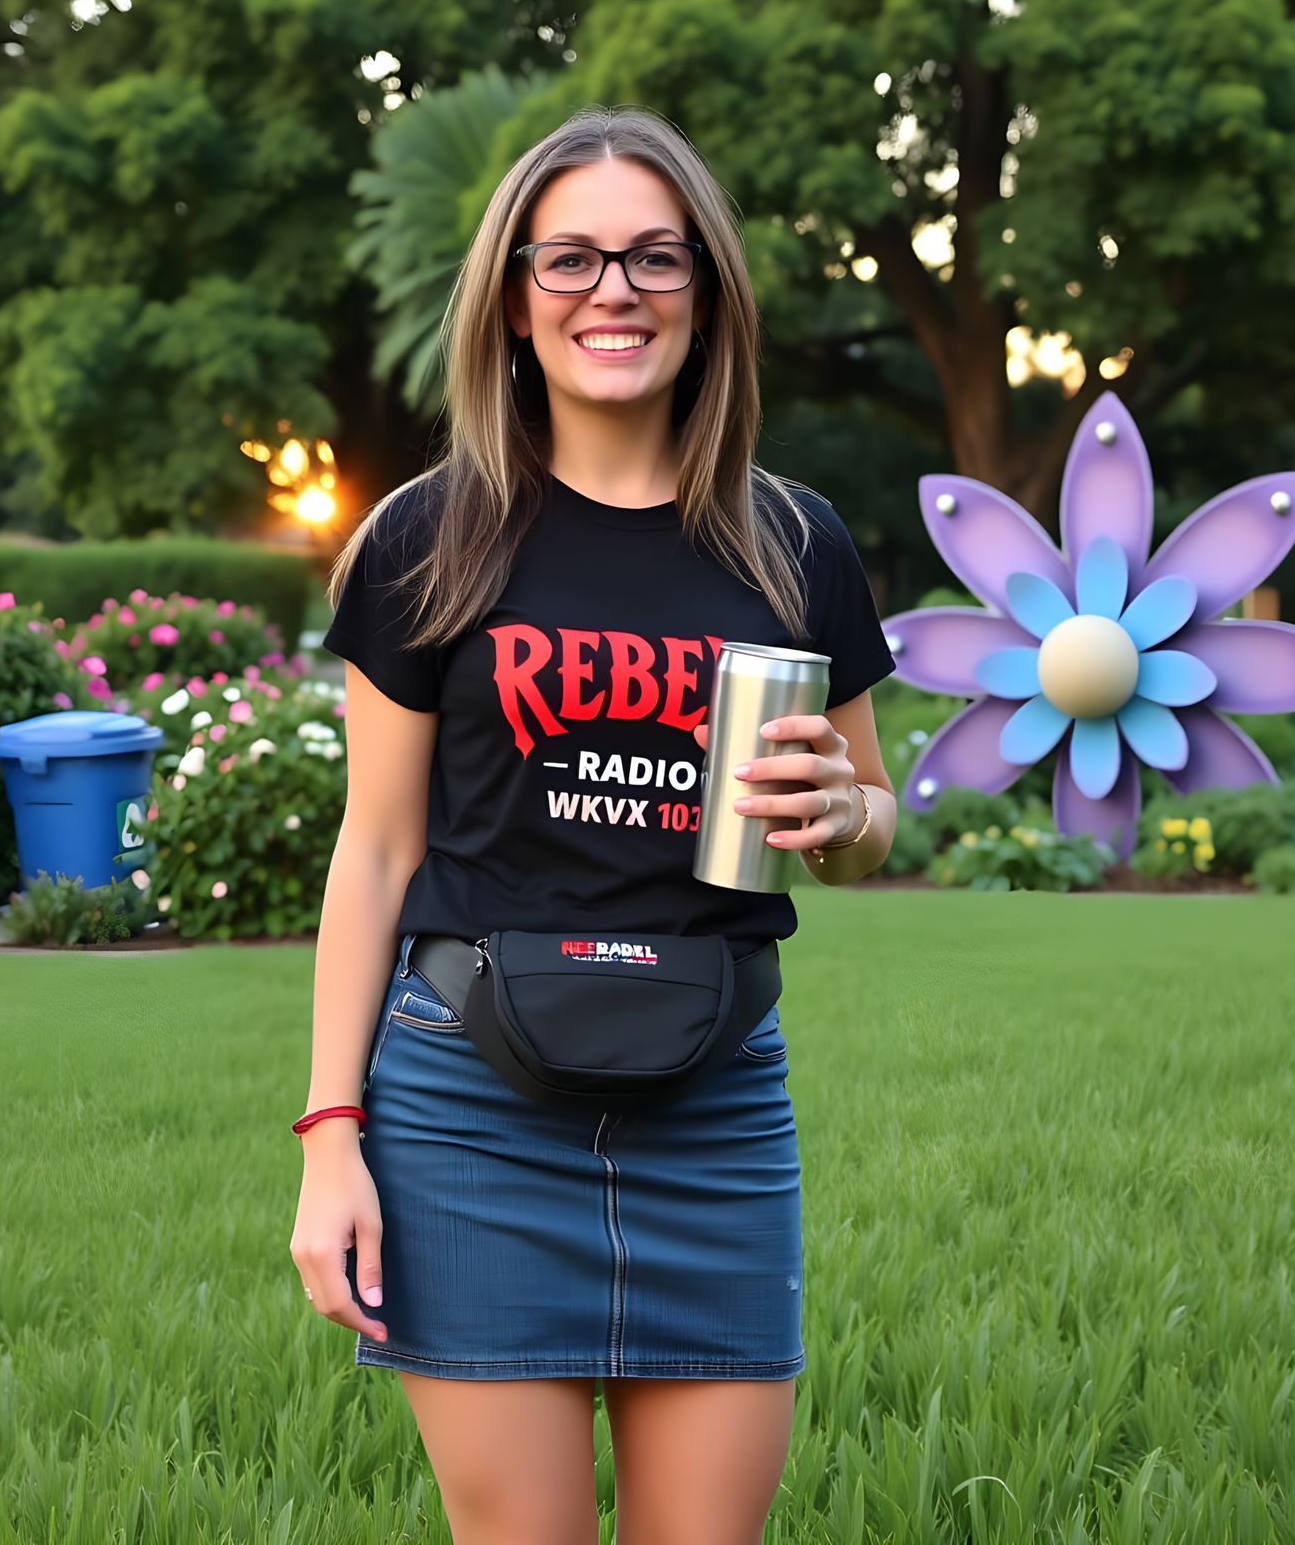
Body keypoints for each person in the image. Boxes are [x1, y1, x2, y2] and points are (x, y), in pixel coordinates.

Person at [290, 104, 899, 1545]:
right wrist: (331, 1138)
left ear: (708, 292)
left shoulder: (794, 540)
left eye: (652, 258)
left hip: (718, 1102)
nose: (612, 292)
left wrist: (844, 807)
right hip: (469, 1108)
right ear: (512, 298)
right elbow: (374, 853)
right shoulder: (426, 539)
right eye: (568, 260)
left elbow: (874, 826)